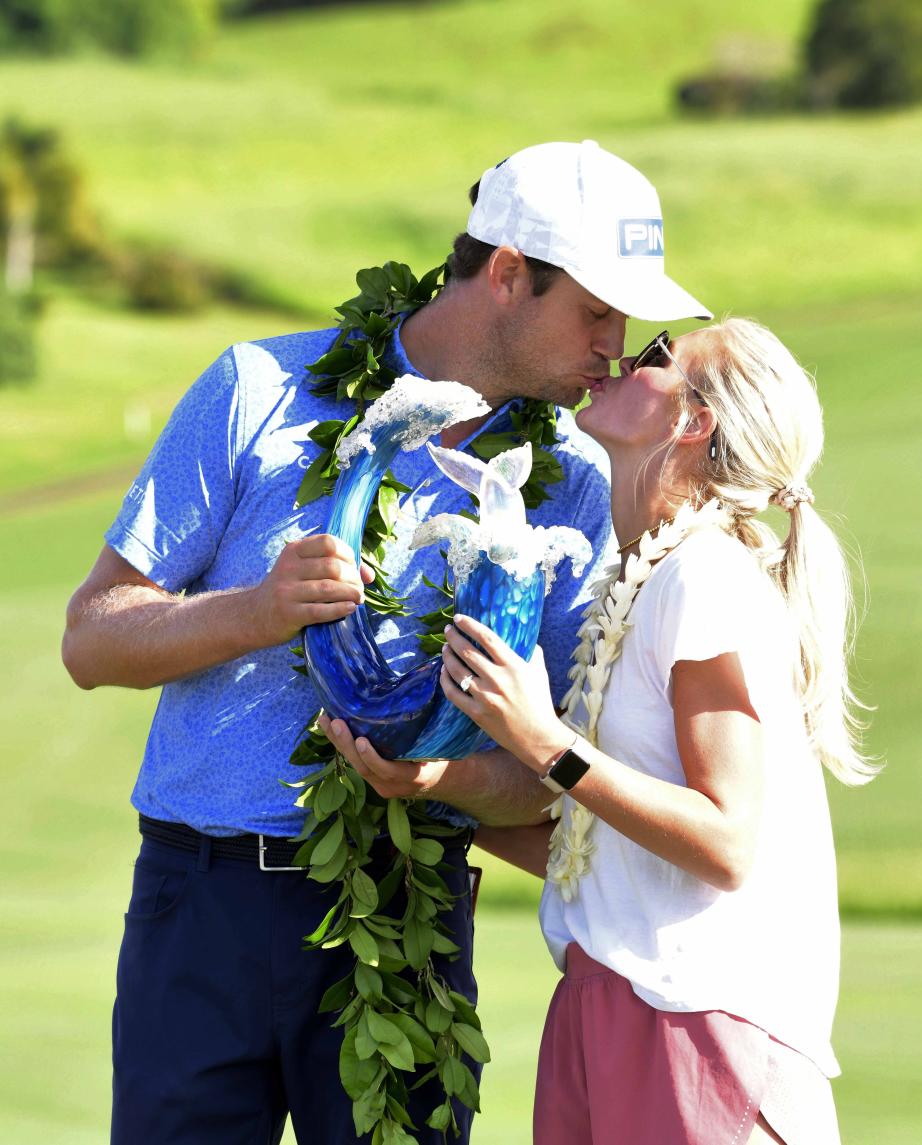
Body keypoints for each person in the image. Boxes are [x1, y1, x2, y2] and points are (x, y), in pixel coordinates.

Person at [61, 140, 711, 1144]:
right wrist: (257, 608)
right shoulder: (256, 391)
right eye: (594, 309)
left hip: (407, 911)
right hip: (201, 903)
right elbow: (91, 639)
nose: (617, 345)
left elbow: (558, 774)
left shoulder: (580, 481)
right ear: (505, 273)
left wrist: (444, 779)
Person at [326, 319, 876, 1144]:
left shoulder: (705, 577)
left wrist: (543, 741)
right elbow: (603, 856)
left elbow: (726, 842)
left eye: (658, 354)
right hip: (607, 1006)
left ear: (694, 423)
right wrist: (437, 787)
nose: (624, 356)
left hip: (697, 1025)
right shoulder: (643, 577)